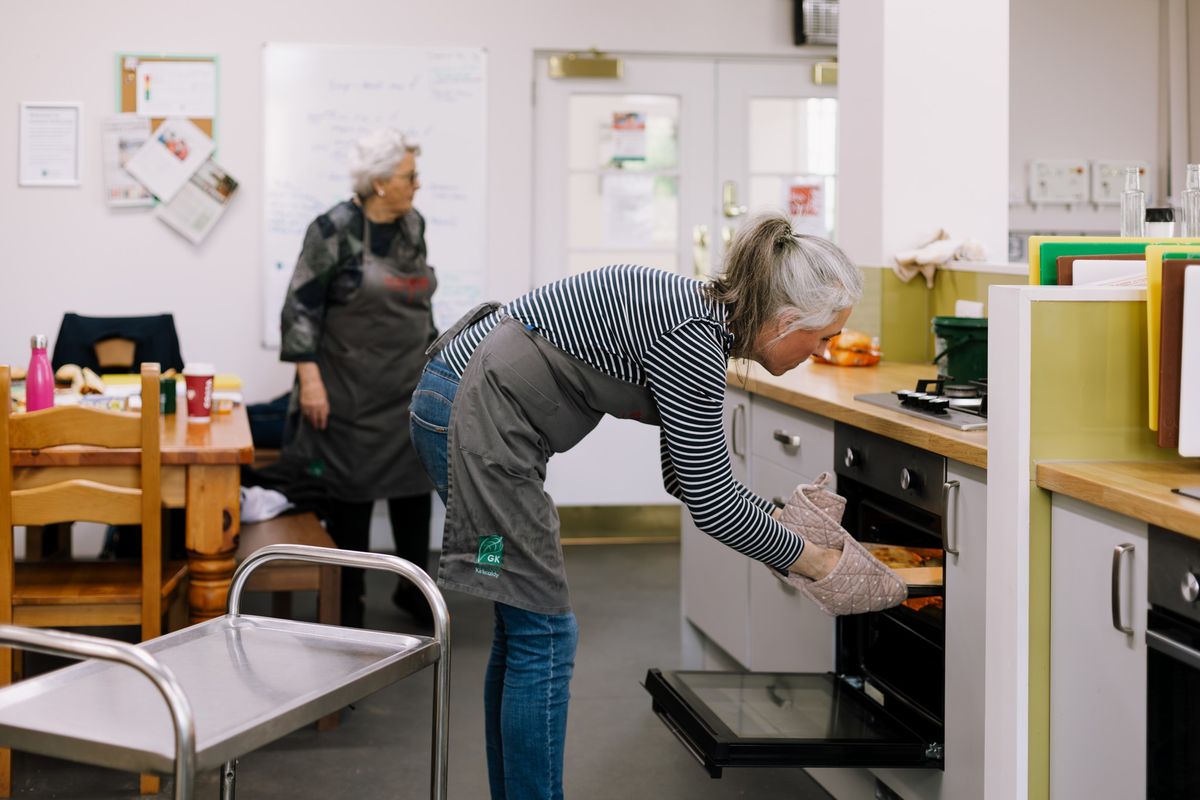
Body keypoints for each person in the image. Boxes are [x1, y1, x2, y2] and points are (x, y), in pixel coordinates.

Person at [409, 211, 903, 799]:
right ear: (785, 320)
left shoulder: (700, 321)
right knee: (543, 631)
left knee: (521, 618)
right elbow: (708, 499)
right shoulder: (693, 337)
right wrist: (815, 563)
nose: (822, 351)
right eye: (821, 338)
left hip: (458, 412)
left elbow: (685, 475)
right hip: (471, 429)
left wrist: (779, 527)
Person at [279, 128, 437, 628]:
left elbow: (421, 303)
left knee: (414, 494)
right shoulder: (332, 229)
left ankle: (413, 593)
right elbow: (300, 307)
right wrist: (310, 379)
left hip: (408, 386)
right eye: (410, 176)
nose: (417, 184)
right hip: (348, 390)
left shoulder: (414, 225)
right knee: (352, 501)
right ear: (381, 182)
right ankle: (349, 603)